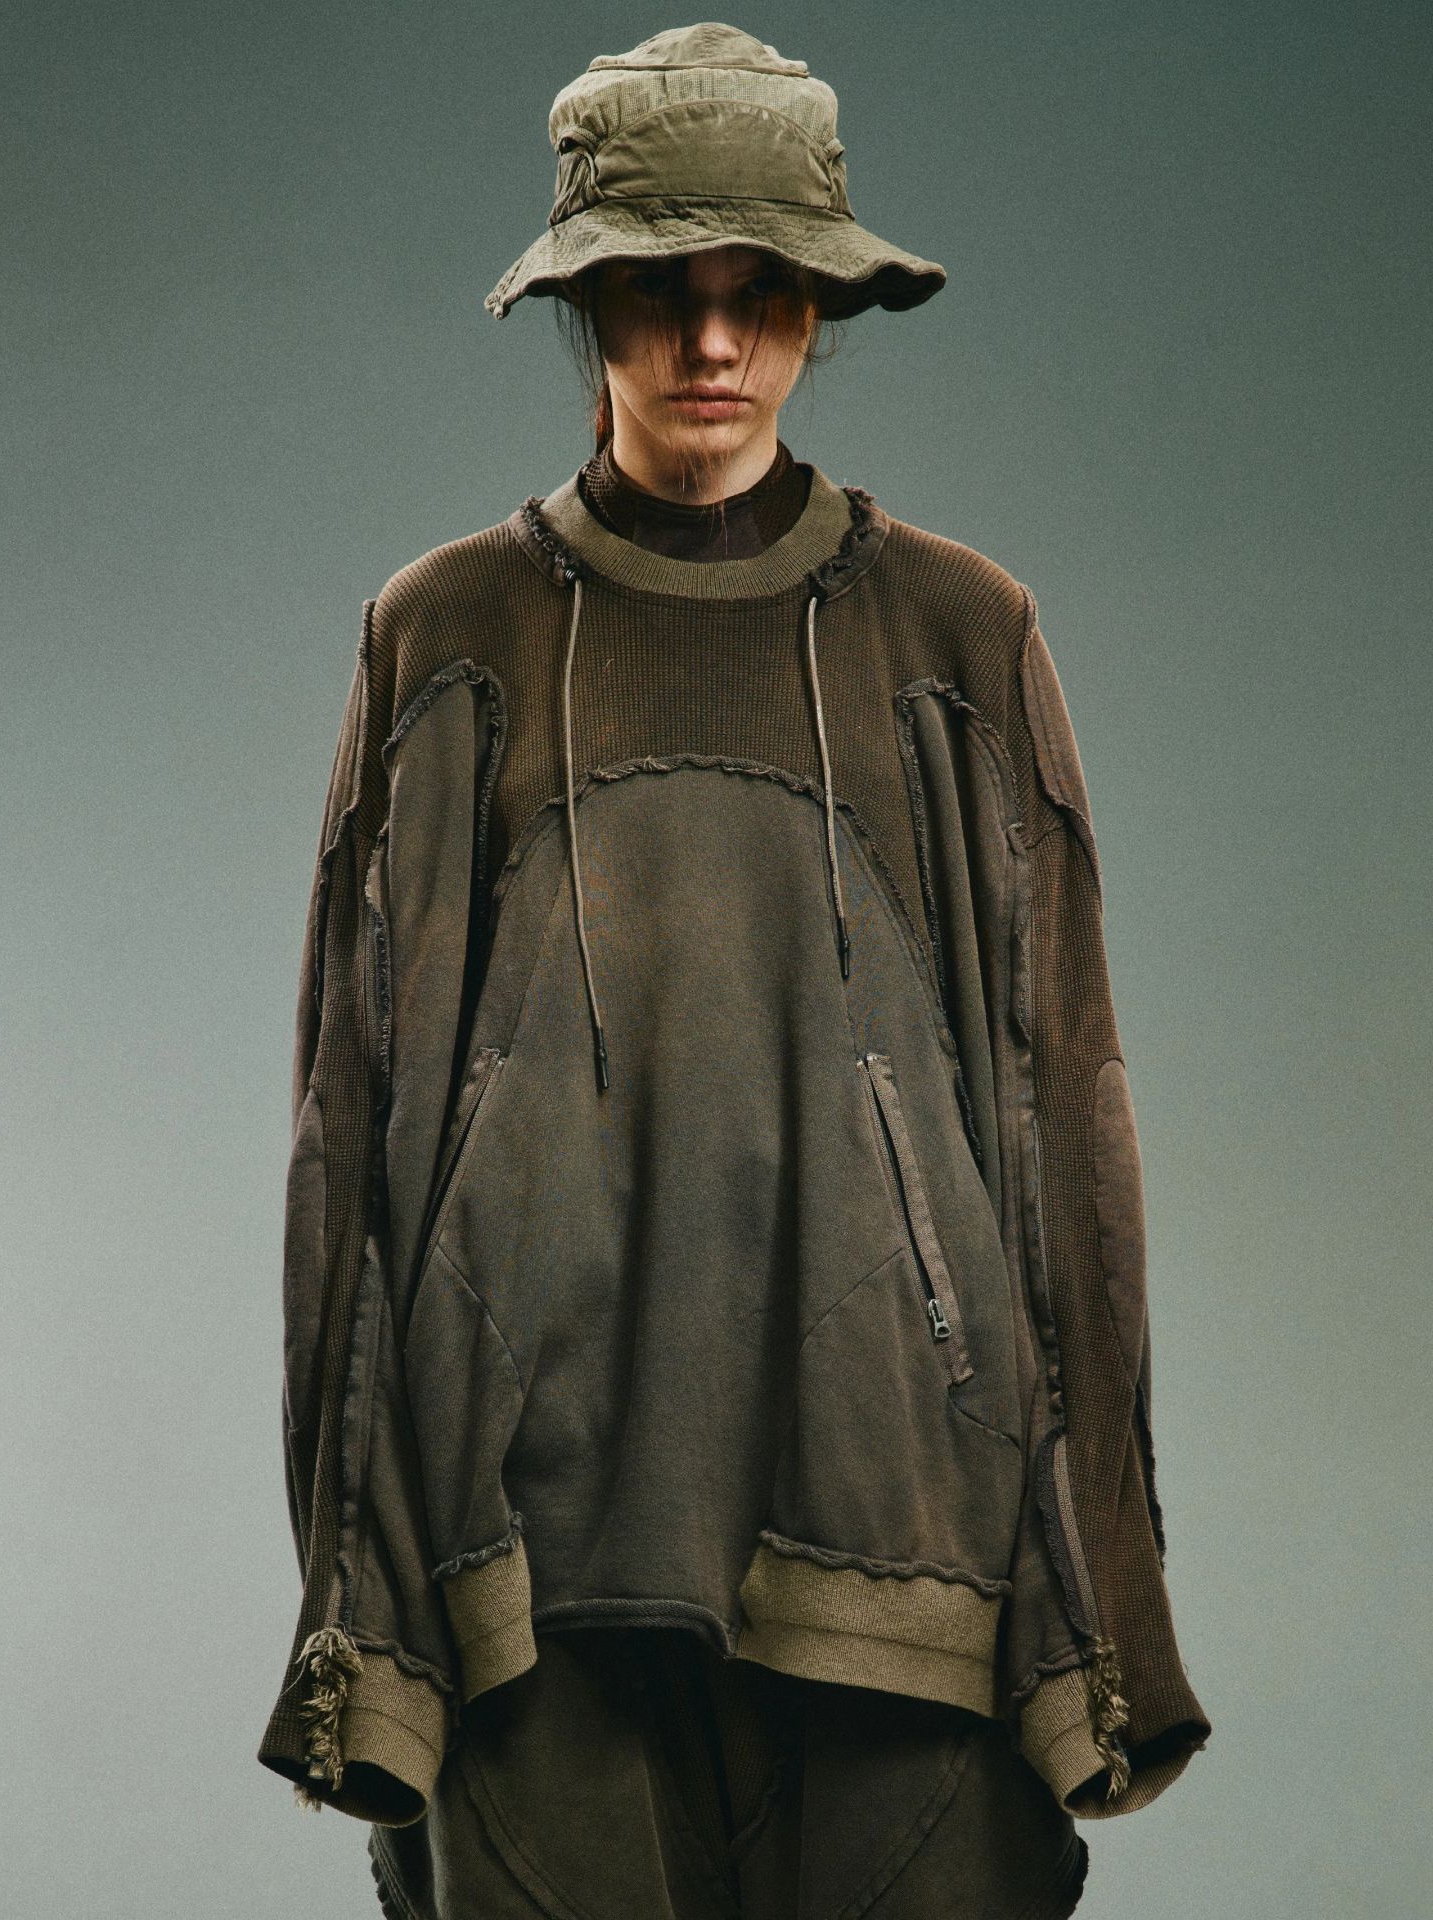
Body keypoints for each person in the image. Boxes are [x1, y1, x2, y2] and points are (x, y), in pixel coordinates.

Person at [259, 23, 1211, 1918]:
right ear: (583, 305)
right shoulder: (444, 639)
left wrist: (1098, 1618)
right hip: (524, 1548)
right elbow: (348, 1148)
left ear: (817, 304)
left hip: (904, 1530)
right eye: (657, 291)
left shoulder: (960, 637)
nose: (711, 342)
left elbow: (1064, 1126)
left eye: (758, 289)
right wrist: (364, 1622)